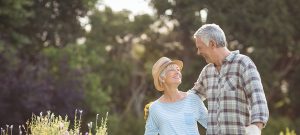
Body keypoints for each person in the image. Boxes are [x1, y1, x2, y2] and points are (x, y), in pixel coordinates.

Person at [189, 23, 269, 135]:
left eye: (200, 48)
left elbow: (258, 99)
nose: (198, 52)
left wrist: (255, 127)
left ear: (212, 44)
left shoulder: (243, 64)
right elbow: (193, 97)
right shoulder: (207, 71)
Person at [144, 57, 208, 135]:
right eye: (172, 70)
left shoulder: (193, 99)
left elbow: (213, 126)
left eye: (178, 69)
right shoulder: (154, 108)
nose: (177, 72)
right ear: (162, 78)